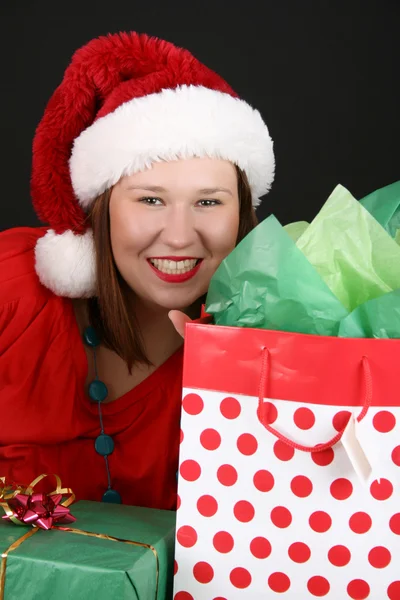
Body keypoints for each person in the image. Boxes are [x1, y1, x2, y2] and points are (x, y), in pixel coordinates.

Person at [0, 31, 274, 509]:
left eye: (208, 202)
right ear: (101, 210)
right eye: (150, 200)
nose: (179, 235)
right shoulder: (14, 287)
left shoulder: (277, 348)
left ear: (241, 215)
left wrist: (236, 378)